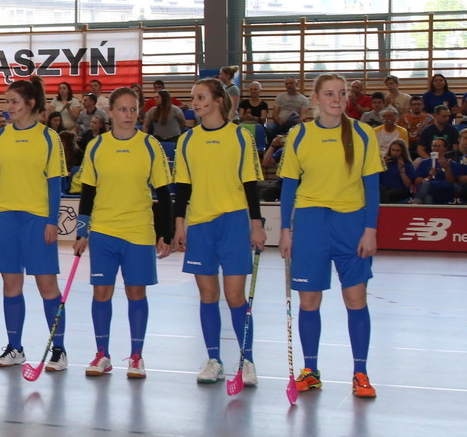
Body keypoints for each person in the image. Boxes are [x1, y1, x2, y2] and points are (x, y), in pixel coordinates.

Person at [279, 74, 381, 398]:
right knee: (309, 301)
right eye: (329, 94)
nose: (336, 99)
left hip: (351, 224)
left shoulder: (363, 133)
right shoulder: (299, 134)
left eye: (341, 93)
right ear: (315, 98)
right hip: (310, 224)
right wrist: (285, 230)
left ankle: (360, 373)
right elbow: (289, 186)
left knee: (356, 300)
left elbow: (372, 187)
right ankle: (310, 371)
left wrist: (370, 230)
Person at [72, 87, 175, 379]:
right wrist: (82, 231)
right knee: (101, 292)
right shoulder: (96, 146)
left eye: (133, 109)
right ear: (111, 112)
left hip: (138, 231)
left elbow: (164, 193)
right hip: (104, 231)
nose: (128, 115)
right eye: (122, 109)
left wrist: (166, 233)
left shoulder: (150, 145)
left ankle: (136, 356)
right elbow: (88, 192)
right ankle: (102, 354)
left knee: (136, 292)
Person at [173, 78, 267, 385]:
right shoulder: (187, 140)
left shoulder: (240, 136)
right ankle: (214, 359)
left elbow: (250, 183)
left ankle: (247, 361)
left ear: (217, 101)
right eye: (193, 98)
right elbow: (183, 186)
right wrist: (179, 223)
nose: (195, 103)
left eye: (201, 97)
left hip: (234, 222)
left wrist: (256, 224)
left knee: (235, 296)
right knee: (208, 295)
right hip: (200, 224)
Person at [0, 76, 69, 371]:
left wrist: (51, 221)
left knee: (47, 285)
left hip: (37, 220)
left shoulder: (48, 138)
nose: (9, 107)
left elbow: (55, 184)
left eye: (14, 102)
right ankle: (15, 347)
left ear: (31, 103)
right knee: (10, 284)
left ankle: (58, 349)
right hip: (6, 219)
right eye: (7, 101)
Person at [412, 138, 459, 204]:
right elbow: (416, 181)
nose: (436, 148)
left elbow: (451, 182)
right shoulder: (424, 163)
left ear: (445, 148)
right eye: (434, 146)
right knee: (428, 197)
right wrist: (429, 177)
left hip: (443, 190)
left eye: (439, 146)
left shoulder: (451, 163)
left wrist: (447, 169)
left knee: (427, 184)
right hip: (427, 189)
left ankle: (415, 203)